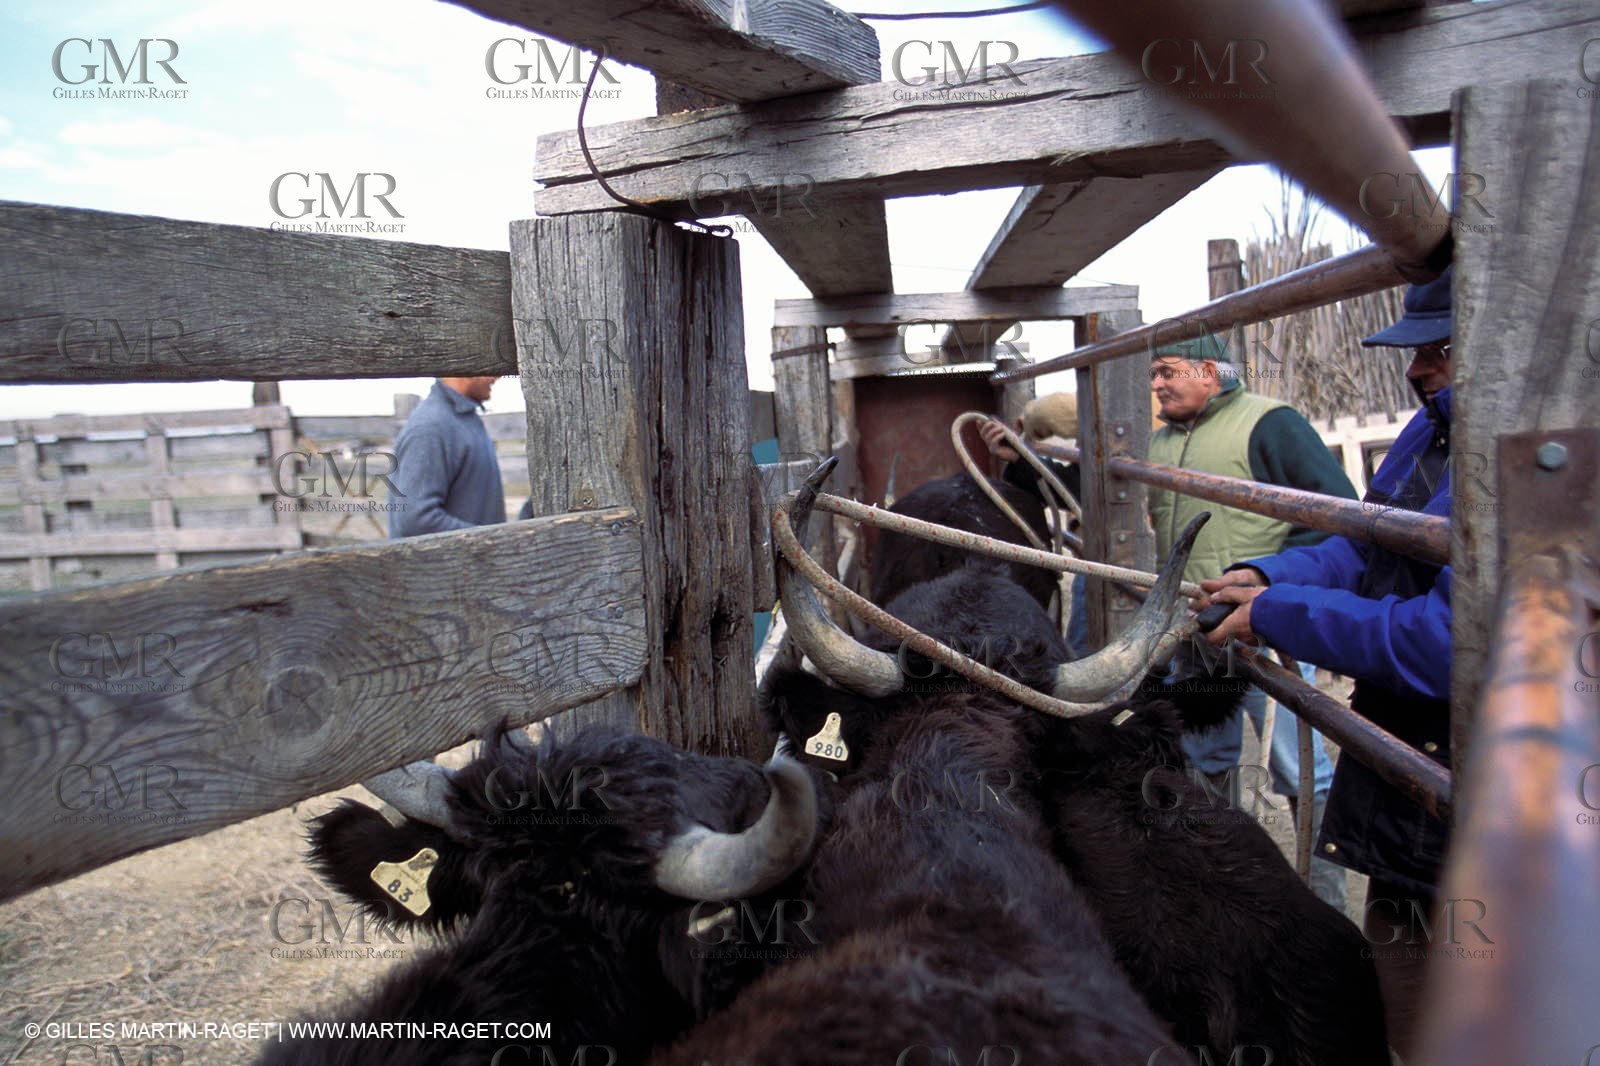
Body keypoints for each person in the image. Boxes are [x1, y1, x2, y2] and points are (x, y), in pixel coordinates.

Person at [1199, 266, 1453, 1058]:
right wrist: (1273, 576)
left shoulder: (1534, 457)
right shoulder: (1430, 432)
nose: (1415, 368)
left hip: (1499, 792)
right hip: (1412, 781)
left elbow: (1449, 642)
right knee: (1405, 992)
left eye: (1440, 348)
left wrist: (1280, 612)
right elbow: (1366, 542)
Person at [1146, 332, 1357, 912]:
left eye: (1166, 371)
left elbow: (1337, 511)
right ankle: (1223, 890)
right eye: (1154, 375)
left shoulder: (1271, 424)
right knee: (1208, 759)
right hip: (1198, 626)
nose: (1157, 385)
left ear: (1208, 371)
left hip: (1270, 625)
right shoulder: (1161, 443)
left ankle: (1327, 909)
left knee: (1297, 764)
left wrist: (1275, 586)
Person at [388, 376, 506, 537]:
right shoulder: (431, 426)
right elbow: (416, 520)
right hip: (451, 561)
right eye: (488, 365)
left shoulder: (462, 418)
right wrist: (496, 539)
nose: (496, 376)